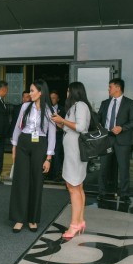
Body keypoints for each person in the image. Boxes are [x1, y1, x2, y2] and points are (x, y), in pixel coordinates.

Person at [8, 79, 56, 233]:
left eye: (32, 90)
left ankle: (32, 219)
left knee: (36, 181)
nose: (30, 93)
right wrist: (14, 147)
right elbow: (18, 127)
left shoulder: (49, 110)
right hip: (23, 143)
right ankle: (19, 218)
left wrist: (48, 158)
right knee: (21, 180)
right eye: (30, 90)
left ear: (41, 92)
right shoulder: (25, 106)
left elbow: (52, 135)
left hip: (40, 145)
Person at [51, 82, 92, 239]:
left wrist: (62, 120)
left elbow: (80, 127)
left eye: (68, 91)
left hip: (75, 151)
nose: (67, 93)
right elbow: (70, 128)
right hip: (72, 150)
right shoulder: (76, 106)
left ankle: (74, 224)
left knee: (73, 187)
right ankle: (80, 221)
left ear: (74, 92)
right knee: (77, 186)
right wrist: (60, 123)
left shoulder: (80, 105)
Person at [97, 78, 133, 203]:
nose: (108, 89)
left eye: (110, 87)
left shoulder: (129, 103)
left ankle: (125, 194)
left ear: (118, 88)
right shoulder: (105, 103)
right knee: (103, 167)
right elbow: (98, 119)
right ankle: (102, 192)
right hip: (107, 139)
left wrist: (122, 128)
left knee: (124, 168)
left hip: (123, 140)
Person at [48, 90, 64, 180]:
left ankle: (56, 174)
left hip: (58, 135)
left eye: (54, 98)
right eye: (50, 98)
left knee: (57, 154)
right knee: (47, 154)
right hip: (47, 136)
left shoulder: (63, 109)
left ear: (58, 99)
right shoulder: (45, 108)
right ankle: (47, 174)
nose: (52, 100)